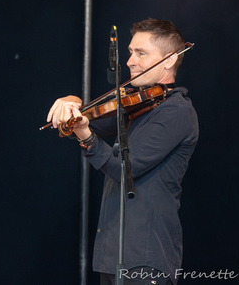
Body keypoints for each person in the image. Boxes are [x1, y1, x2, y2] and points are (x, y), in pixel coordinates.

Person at [47, 19, 198, 285]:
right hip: (112, 252)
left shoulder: (176, 112)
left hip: (145, 258)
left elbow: (123, 169)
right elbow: (87, 120)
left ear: (169, 60)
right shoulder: (137, 106)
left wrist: (86, 137)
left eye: (141, 53)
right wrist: (73, 103)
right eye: (130, 52)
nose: (129, 61)